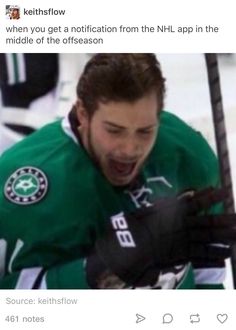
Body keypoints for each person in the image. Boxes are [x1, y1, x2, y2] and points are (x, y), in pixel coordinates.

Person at [0, 53, 235, 289]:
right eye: (114, 130)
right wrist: (96, 272)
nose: (130, 149)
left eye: (145, 131)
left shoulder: (187, 157)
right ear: (83, 113)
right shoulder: (24, 185)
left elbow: (208, 281)